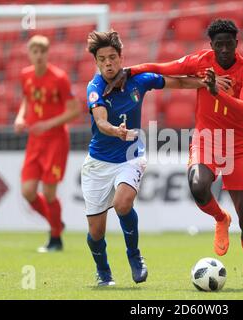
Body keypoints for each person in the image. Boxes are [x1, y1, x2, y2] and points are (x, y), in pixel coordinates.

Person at [104, 19, 243, 289]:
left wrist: (214, 90)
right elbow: (162, 67)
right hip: (205, 141)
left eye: (229, 44)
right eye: (219, 45)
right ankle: (220, 218)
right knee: (198, 185)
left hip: (237, 145)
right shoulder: (201, 62)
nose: (224, 49)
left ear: (236, 44)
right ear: (211, 45)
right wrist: (128, 70)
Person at [83, 30, 214, 286]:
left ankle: (134, 256)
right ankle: (104, 272)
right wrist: (115, 130)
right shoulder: (95, 87)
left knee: (123, 204)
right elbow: (100, 122)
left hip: (131, 155)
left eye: (112, 57)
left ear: (121, 57)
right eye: (102, 59)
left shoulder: (139, 80)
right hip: (98, 162)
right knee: (96, 232)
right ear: (96, 62)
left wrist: (205, 83)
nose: (108, 63)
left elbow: (177, 82)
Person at [14, 35, 80, 253]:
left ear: (47, 53)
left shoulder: (59, 78)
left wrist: (47, 124)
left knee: (49, 193)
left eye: (42, 51)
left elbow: (74, 110)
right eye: (35, 52)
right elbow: (27, 100)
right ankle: (56, 224)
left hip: (56, 140)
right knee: (28, 191)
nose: (39, 55)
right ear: (30, 54)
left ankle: (55, 238)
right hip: (35, 140)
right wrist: (20, 117)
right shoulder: (25, 76)